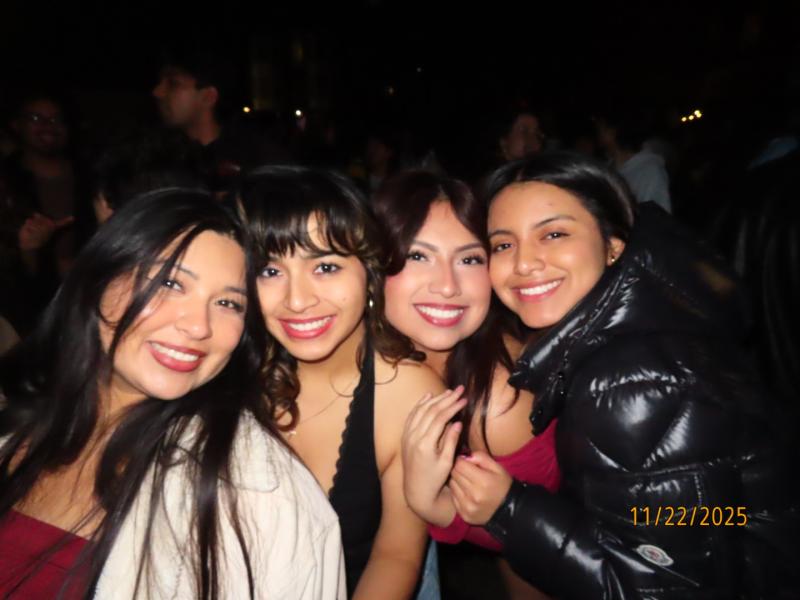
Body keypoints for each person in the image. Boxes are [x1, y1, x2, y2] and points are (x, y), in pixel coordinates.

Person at [442, 152, 796, 598]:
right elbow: (697, 517)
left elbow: (666, 587)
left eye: (553, 233)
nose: (525, 263)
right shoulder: (634, 326)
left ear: (613, 244)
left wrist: (511, 508)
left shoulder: (631, 382)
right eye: (503, 244)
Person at [0, 189, 345, 599]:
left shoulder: (257, 496)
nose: (198, 326)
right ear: (97, 280)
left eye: (227, 303)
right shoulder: (17, 424)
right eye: (169, 282)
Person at [239, 166, 441, 599]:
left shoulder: (407, 394)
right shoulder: (227, 370)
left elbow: (397, 556)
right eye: (270, 272)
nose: (297, 300)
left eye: (326, 266)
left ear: (369, 273)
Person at [374, 170, 558, 600]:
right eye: (418, 256)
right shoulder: (379, 354)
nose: (447, 286)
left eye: (470, 259)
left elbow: (535, 546)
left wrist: (437, 507)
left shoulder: (498, 401)